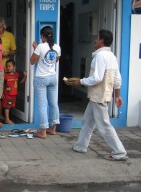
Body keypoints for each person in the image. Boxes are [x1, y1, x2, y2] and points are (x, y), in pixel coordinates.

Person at [66, 29, 128, 161]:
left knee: (104, 125)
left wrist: (80, 82)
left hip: (98, 96)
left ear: (102, 41)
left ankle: (119, 152)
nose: (95, 40)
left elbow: (97, 78)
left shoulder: (100, 56)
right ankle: (81, 146)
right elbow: (118, 79)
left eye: (97, 38)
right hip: (100, 95)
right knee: (87, 121)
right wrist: (117, 96)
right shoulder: (112, 56)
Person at [30, 26, 61, 139]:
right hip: (52, 77)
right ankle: (53, 129)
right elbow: (55, 60)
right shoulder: (57, 47)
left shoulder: (40, 46)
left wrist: (35, 49)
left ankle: (42, 131)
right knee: (53, 103)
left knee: (42, 105)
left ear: (42, 36)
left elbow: (32, 61)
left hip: (41, 78)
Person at [2, 59, 27, 124]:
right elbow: (2, 85)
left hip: (14, 94)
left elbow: (21, 82)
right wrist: (2, 93)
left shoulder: (17, 75)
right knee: (7, 107)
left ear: (14, 67)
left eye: (10, 66)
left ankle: (6, 118)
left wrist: (25, 76)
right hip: (7, 94)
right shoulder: (5, 75)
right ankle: (7, 119)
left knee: (10, 107)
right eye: (7, 66)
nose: (8, 68)